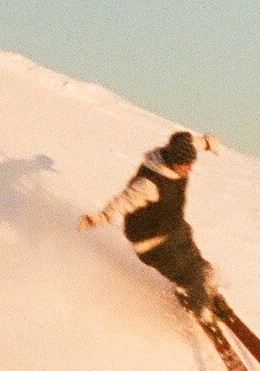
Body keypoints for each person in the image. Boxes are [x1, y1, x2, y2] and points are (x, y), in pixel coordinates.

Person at [81, 130, 224, 319]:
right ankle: (200, 309)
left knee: (200, 265)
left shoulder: (180, 148)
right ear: (173, 162)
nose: (189, 169)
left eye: (191, 164)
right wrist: (100, 218)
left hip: (173, 228)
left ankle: (206, 292)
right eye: (185, 165)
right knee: (190, 276)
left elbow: (192, 143)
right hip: (152, 242)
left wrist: (207, 143)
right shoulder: (149, 184)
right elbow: (123, 202)